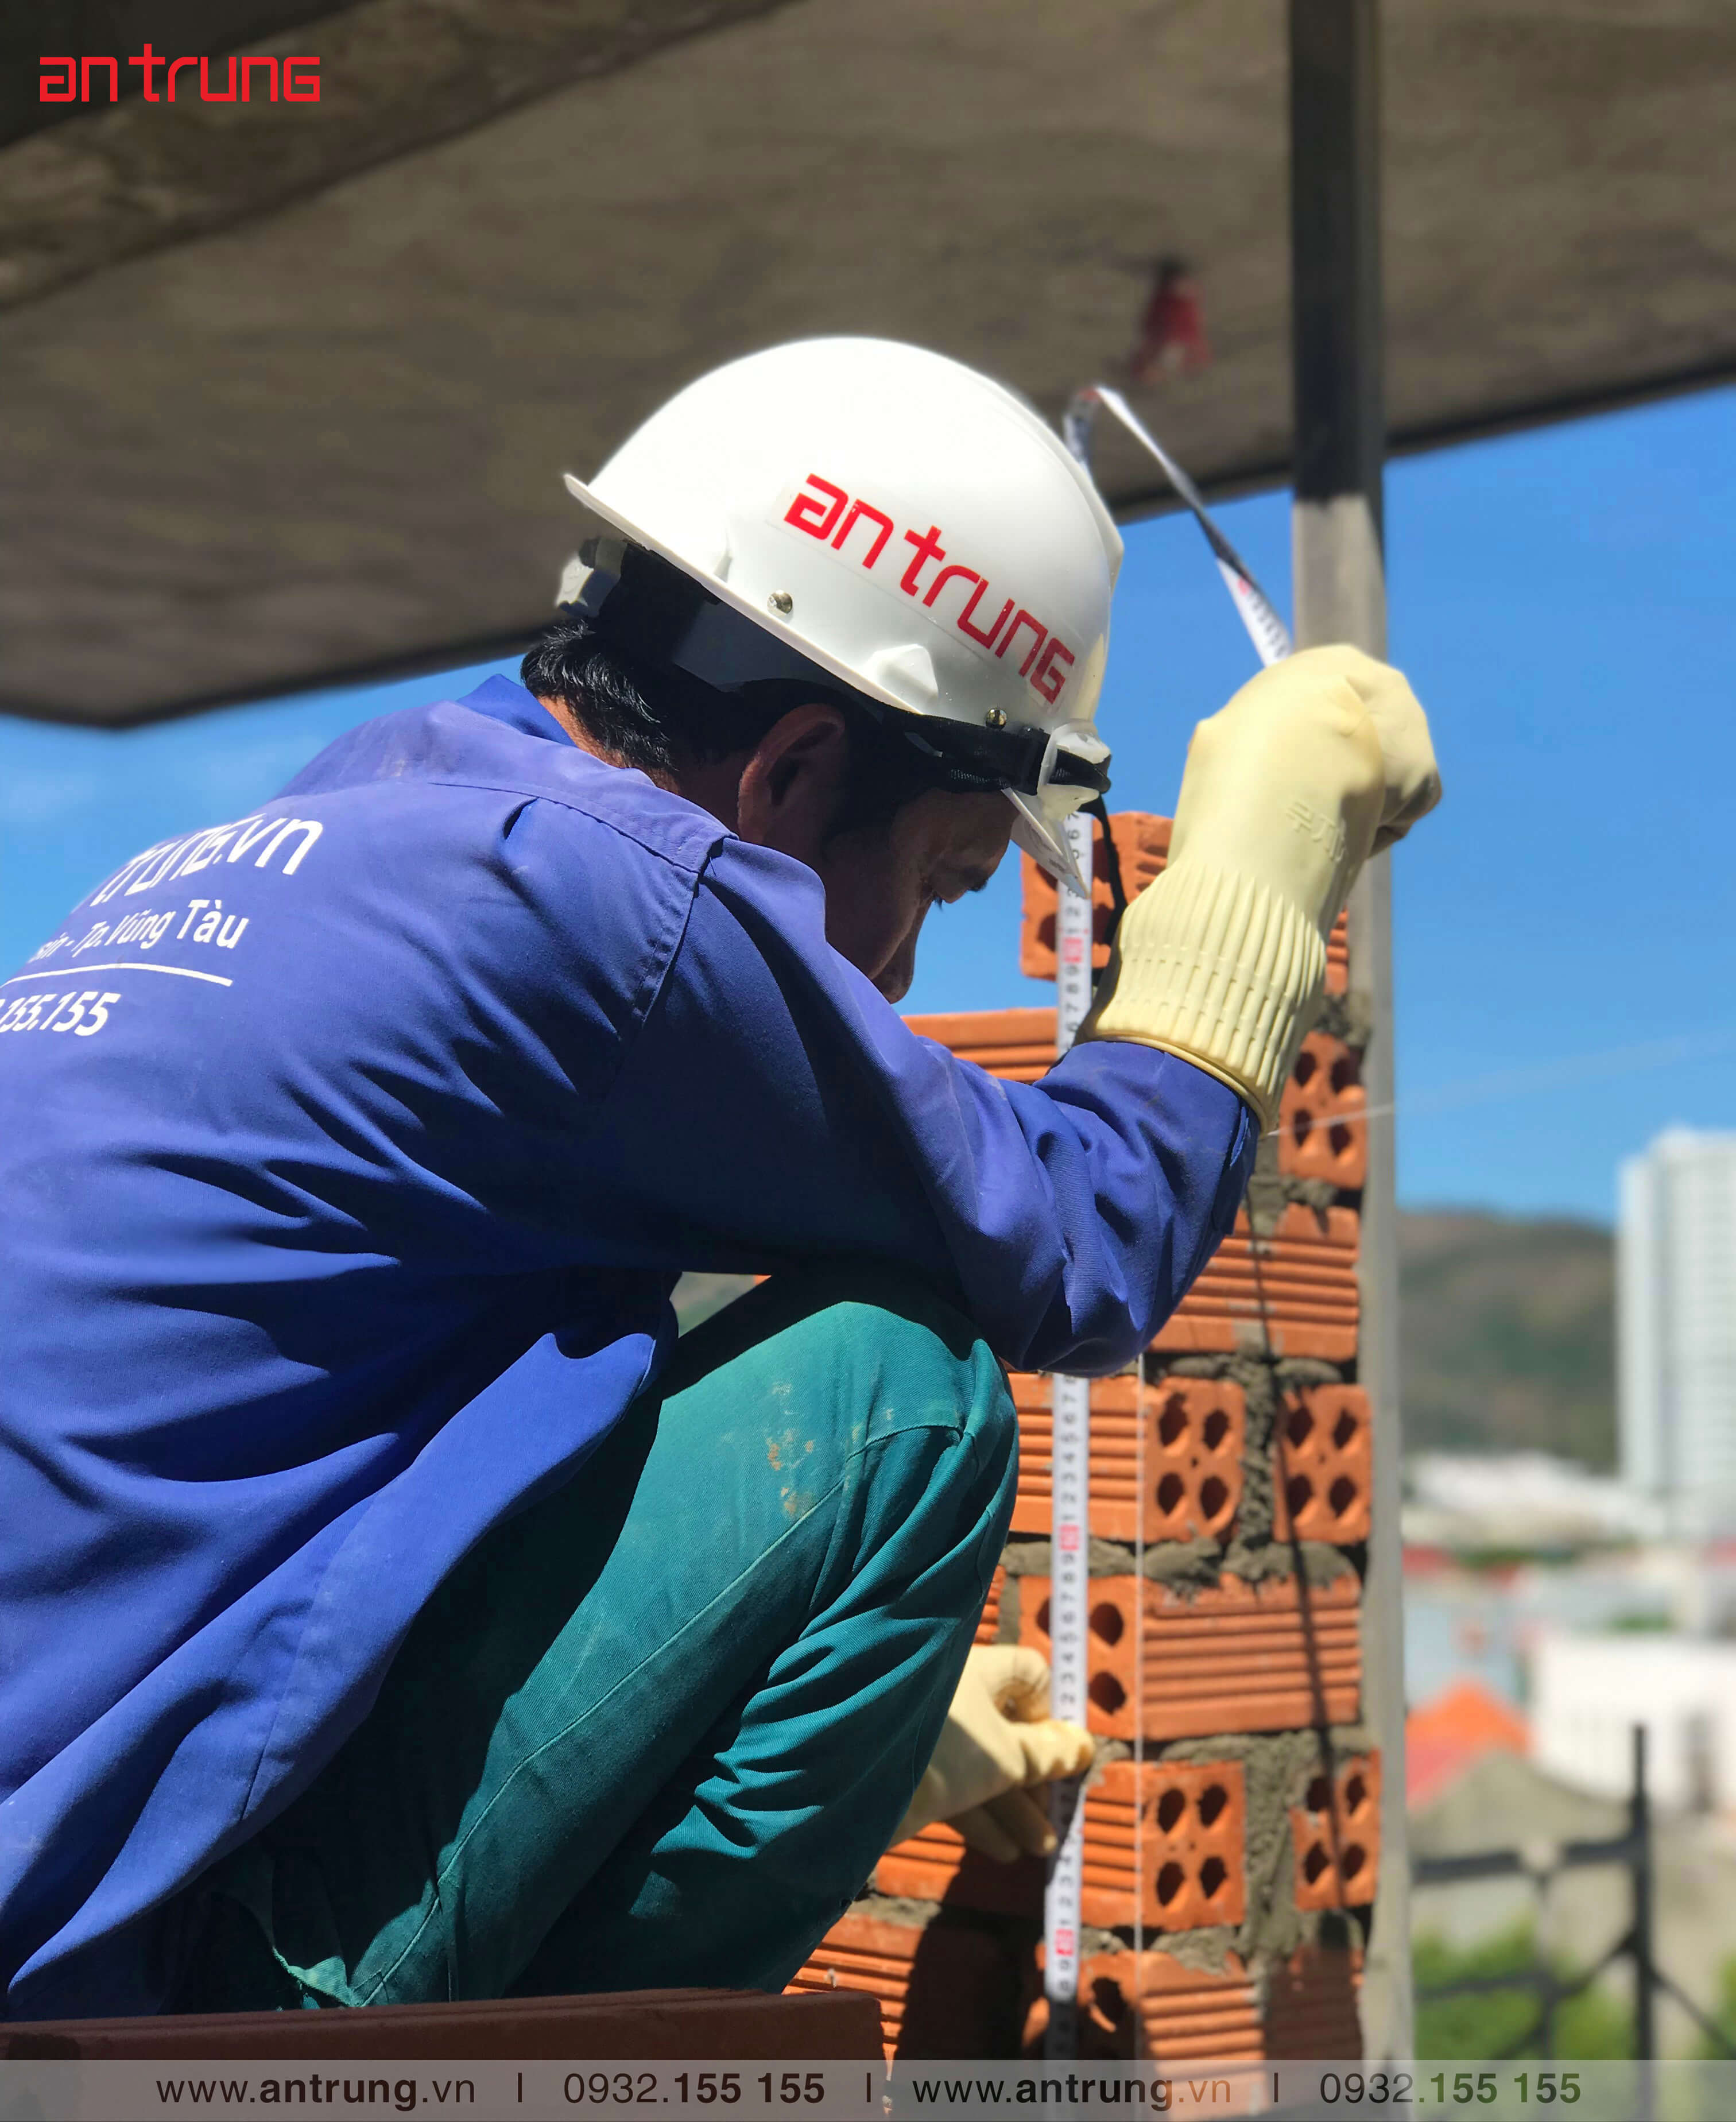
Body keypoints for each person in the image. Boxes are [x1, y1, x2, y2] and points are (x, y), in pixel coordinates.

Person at [0, 338, 1439, 2020]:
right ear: (794, 772)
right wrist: (1258, 879)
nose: (896, 977)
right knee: (898, 1396)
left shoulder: (365, 815)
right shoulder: (604, 906)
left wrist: (742, 1733)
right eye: (944, 878)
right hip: (107, 1983)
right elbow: (1086, 1238)